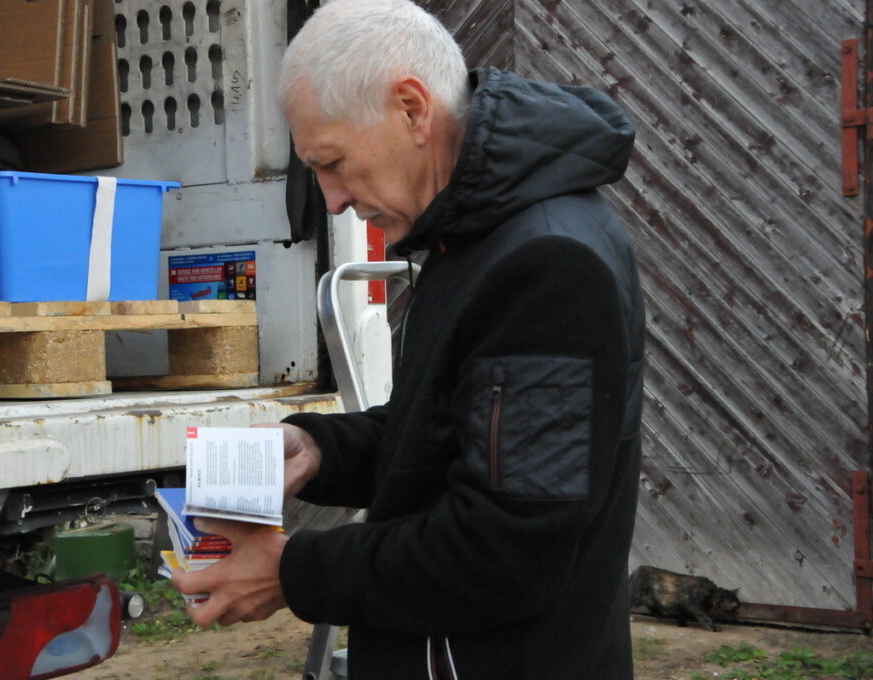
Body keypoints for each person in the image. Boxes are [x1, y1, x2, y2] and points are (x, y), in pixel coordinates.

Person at [172, 0, 645, 677]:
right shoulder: (472, 234)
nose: (331, 199)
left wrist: (293, 571)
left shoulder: (547, 264)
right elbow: (447, 431)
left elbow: (506, 552)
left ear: (412, 110)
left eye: (333, 162)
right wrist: (322, 450)